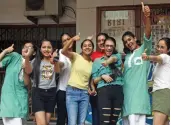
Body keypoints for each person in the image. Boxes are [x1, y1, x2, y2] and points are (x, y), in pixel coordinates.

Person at [121, 2, 152, 125]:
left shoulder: (144, 49)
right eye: (125, 42)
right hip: (126, 99)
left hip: (139, 99)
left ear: (134, 38)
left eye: (129, 39)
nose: (128, 42)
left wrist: (147, 17)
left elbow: (148, 33)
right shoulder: (127, 57)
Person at [0, 42, 36, 125]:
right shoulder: (14, 56)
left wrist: (25, 63)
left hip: (21, 100)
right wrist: (5, 51)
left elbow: (26, 83)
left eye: (29, 47)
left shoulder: (32, 64)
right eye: (24, 47)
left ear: (33, 52)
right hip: (9, 99)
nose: (26, 49)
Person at [62, 34, 94, 125]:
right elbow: (63, 51)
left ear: (92, 48)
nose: (87, 47)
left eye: (89, 45)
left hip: (84, 94)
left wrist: (92, 87)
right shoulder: (76, 56)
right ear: (82, 48)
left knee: (81, 122)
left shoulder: (92, 63)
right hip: (72, 92)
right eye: (85, 46)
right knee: (72, 122)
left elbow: (90, 78)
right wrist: (72, 39)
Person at [92, 37, 124, 125]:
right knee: (105, 122)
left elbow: (112, 59)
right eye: (107, 46)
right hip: (104, 91)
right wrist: (102, 76)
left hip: (118, 91)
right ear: (103, 47)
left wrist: (107, 62)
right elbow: (94, 80)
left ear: (114, 47)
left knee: (114, 122)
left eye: (111, 46)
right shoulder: (97, 61)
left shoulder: (117, 56)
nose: (109, 48)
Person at [30, 40, 60, 125]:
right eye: (44, 47)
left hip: (51, 93)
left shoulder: (56, 61)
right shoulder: (35, 62)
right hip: (38, 93)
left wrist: (55, 60)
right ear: (40, 49)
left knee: (46, 123)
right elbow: (28, 72)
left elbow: (57, 71)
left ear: (52, 49)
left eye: (49, 47)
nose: (46, 49)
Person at [142, 37, 170, 125]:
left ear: (168, 49)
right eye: (158, 46)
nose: (159, 49)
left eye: (162, 47)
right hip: (164, 93)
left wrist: (147, 57)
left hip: (162, 93)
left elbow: (157, 58)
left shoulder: (165, 57)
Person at [88, 33, 109, 125]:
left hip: (109, 90)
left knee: (107, 117)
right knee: (96, 116)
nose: (101, 42)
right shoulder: (93, 54)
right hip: (95, 89)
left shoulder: (113, 55)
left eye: (103, 40)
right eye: (99, 41)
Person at [56, 33, 72, 125]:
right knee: (62, 119)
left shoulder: (75, 54)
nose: (67, 41)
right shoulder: (62, 52)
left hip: (73, 91)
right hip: (63, 91)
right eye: (64, 41)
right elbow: (63, 64)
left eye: (68, 39)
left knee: (71, 119)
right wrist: (59, 64)